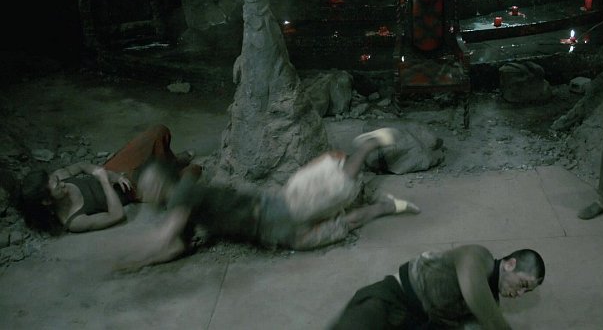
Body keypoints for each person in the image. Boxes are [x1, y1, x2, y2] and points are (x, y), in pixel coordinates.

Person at [117, 128, 421, 270]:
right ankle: (387, 206)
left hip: (277, 211)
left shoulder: (183, 193)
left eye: (149, 184)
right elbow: (178, 245)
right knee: (339, 226)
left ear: (162, 180)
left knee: (338, 187)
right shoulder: (179, 206)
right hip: (274, 231)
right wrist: (144, 262)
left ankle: (368, 145)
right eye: (145, 187)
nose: (147, 191)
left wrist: (128, 254)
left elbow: (165, 235)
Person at [20, 124, 200, 234]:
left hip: (113, 169)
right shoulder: (74, 221)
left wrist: (106, 173)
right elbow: (116, 215)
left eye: (57, 179)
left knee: (159, 131)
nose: (61, 181)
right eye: (57, 185)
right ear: (46, 200)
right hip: (129, 191)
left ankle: (171, 163)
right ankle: (173, 165)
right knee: (194, 171)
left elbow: (81, 166)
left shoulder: (58, 176)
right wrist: (106, 182)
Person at [329, 244, 545, 330]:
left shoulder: (490, 306)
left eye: (526, 291)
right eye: (523, 284)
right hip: (391, 299)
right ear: (510, 264)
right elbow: (473, 288)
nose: (520, 294)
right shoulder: (480, 257)